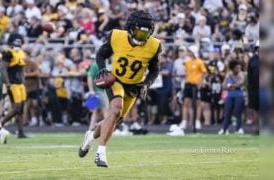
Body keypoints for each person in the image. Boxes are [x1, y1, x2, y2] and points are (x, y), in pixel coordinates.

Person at [78, 10, 161, 167]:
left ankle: (90, 136)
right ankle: (101, 152)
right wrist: (102, 69)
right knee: (115, 110)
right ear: (130, 29)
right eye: (138, 32)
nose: (142, 37)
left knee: (114, 119)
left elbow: (155, 70)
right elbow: (101, 55)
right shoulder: (116, 36)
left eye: (145, 34)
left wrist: (146, 84)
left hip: (134, 86)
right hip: (115, 80)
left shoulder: (154, 45)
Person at [1, 33, 27, 138]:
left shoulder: (21, 53)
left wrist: (23, 79)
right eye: (16, 41)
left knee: (21, 109)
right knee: (16, 108)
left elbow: (21, 69)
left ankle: (20, 132)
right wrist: (7, 83)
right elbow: (3, 69)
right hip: (13, 83)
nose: (18, 43)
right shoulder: (8, 53)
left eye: (19, 41)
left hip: (20, 83)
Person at [179, 45, 207, 130]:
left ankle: (197, 121)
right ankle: (184, 121)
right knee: (186, 102)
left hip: (196, 85)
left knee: (197, 103)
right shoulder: (187, 62)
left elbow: (204, 73)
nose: (188, 53)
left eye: (190, 51)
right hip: (188, 84)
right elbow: (187, 73)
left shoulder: (199, 62)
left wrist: (200, 83)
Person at [218, 60, 245, 135]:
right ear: (232, 68)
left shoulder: (241, 74)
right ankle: (224, 129)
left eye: (239, 68)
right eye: (237, 68)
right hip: (230, 96)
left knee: (238, 112)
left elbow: (240, 83)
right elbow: (223, 86)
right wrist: (232, 86)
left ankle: (239, 128)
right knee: (227, 113)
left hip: (239, 95)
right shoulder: (228, 75)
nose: (238, 70)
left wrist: (230, 86)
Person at [87, 62, 108, 130]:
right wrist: (91, 90)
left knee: (96, 111)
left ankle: (91, 128)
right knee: (106, 111)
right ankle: (107, 128)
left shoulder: (107, 64)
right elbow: (90, 76)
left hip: (104, 91)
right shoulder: (95, 64)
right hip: (99, 91)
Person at [247, 41, 259, 134]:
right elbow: (249, 75)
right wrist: (249, 88)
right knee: (255, 109)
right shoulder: (252, 60)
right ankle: (257, 128)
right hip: (254, 88)